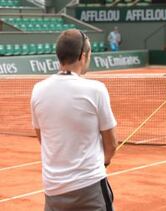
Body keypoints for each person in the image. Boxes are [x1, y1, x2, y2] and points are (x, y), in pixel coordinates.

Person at [31, 29, 118, 211]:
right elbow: (111, 143)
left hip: (53, 190)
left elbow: (42, 138)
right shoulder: (96, 89)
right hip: (90, 188)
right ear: (82, 56)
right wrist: (105, 161)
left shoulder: (37, 90)